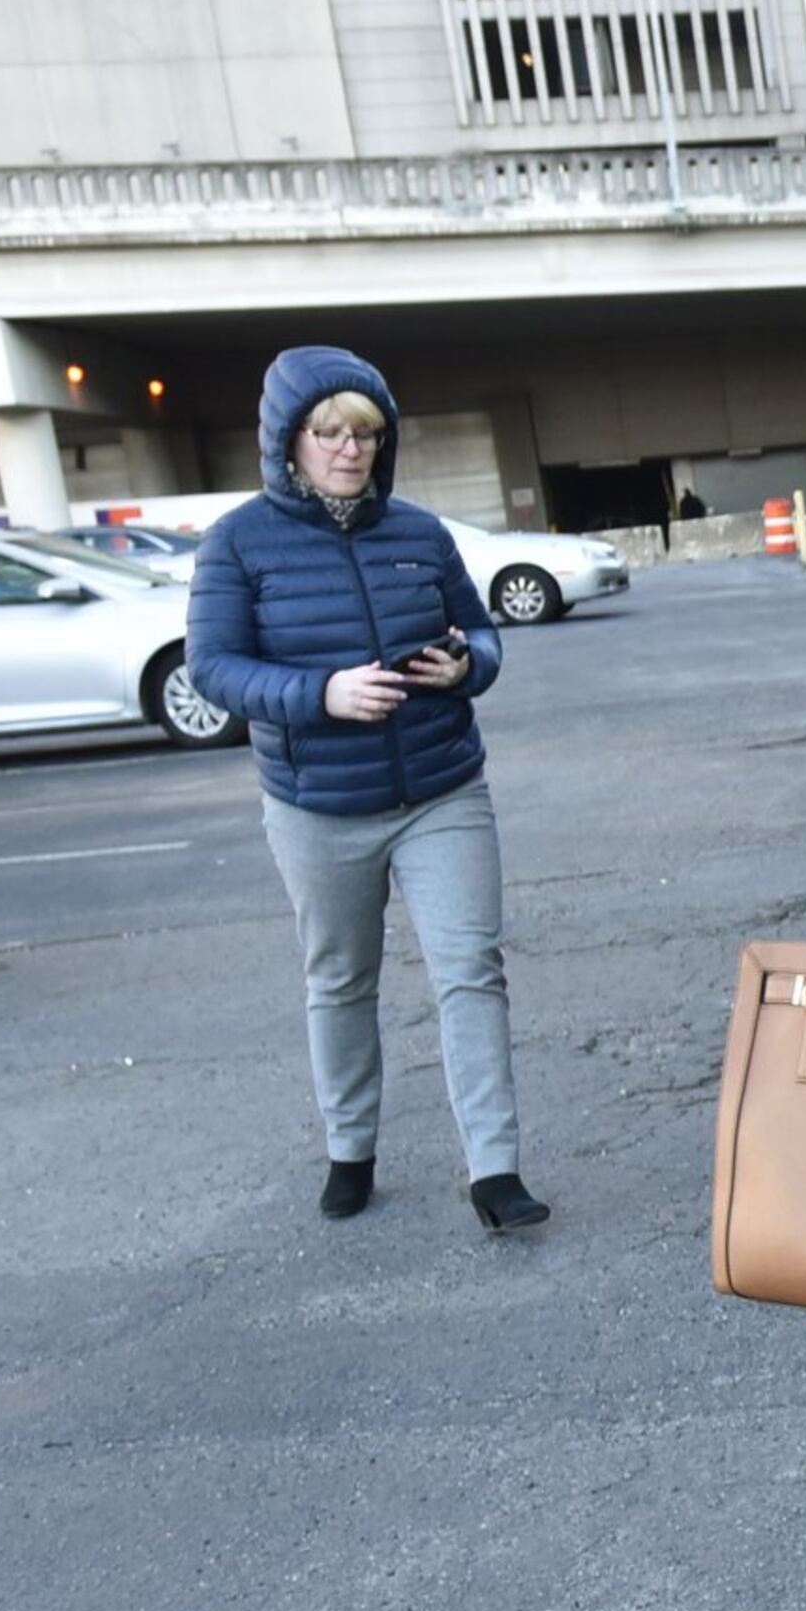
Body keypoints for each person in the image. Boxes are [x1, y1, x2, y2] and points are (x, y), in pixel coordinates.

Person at [186, 349, 548, 1235]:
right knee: (342, 978)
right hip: (317, 802)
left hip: (441, 789)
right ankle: (351, 1149)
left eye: (367, 433)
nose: (350, 450)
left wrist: (465, 665)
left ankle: (494, 1172)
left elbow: (485, 637)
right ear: (289, 440)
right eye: (330, 432)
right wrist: (321, 696)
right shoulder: (237, 541)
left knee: (471, 970)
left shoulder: (421, 534)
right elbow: (213, 668)